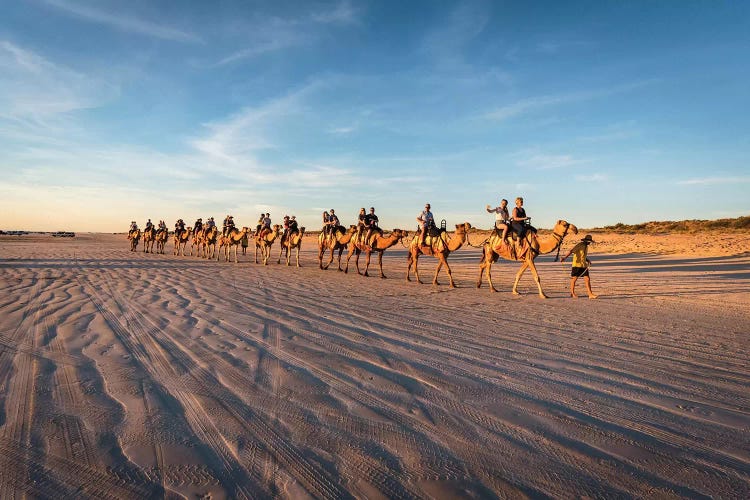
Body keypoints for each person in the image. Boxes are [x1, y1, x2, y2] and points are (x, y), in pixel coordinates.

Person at [560, 234, 598, 299]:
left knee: (587, 279)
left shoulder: (586, 246)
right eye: (589, 241)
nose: (589, 243)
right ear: (585, 241)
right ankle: (572, 293)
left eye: (590, 242)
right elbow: (571, 251)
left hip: (583, 265)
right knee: (574, 279)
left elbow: (583, 256)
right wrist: (564, 258)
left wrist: (587, 260)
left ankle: (590, 294)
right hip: (576, 265)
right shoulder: (580, 245)